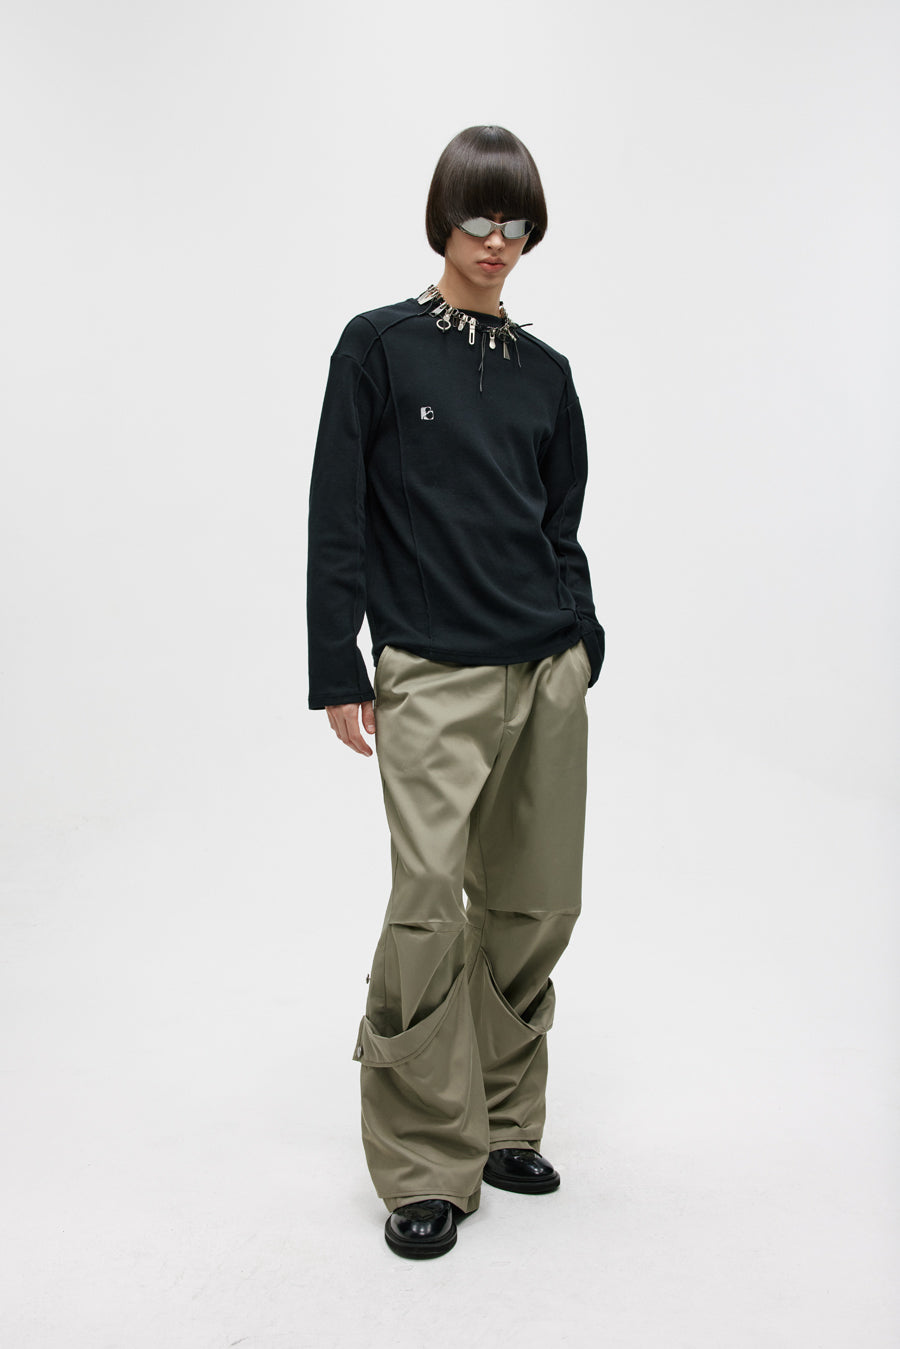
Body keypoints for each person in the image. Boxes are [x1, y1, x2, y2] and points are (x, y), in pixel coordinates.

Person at [306, 125, 605, 1259]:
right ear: (443, 221)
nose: (496, 241)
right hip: (431, 670)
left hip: (546, 670)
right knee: (428, 903)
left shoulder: (548, 374)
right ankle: (428, 1156)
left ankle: (505, 1120)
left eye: (516, 223)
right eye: (478, 219)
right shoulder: (378, 347)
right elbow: (337, 510)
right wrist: (338, 662)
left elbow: (560, 523)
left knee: (536, 903)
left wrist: (583, 640)